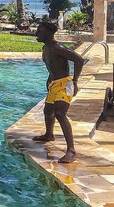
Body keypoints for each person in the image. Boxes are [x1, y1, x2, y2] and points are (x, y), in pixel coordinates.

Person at [32, 21, 85, 163]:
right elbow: (52, 66)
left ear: (49, 33)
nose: (37, 33)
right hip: (54, 84)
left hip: (64, 84)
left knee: (60, 114)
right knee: (47, 111)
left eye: (40, 31)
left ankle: (71, 151)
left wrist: (75, 81)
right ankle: (49, 135)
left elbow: (79, 60)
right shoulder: (45, 48)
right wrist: (49, 79)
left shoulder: (58, 48)